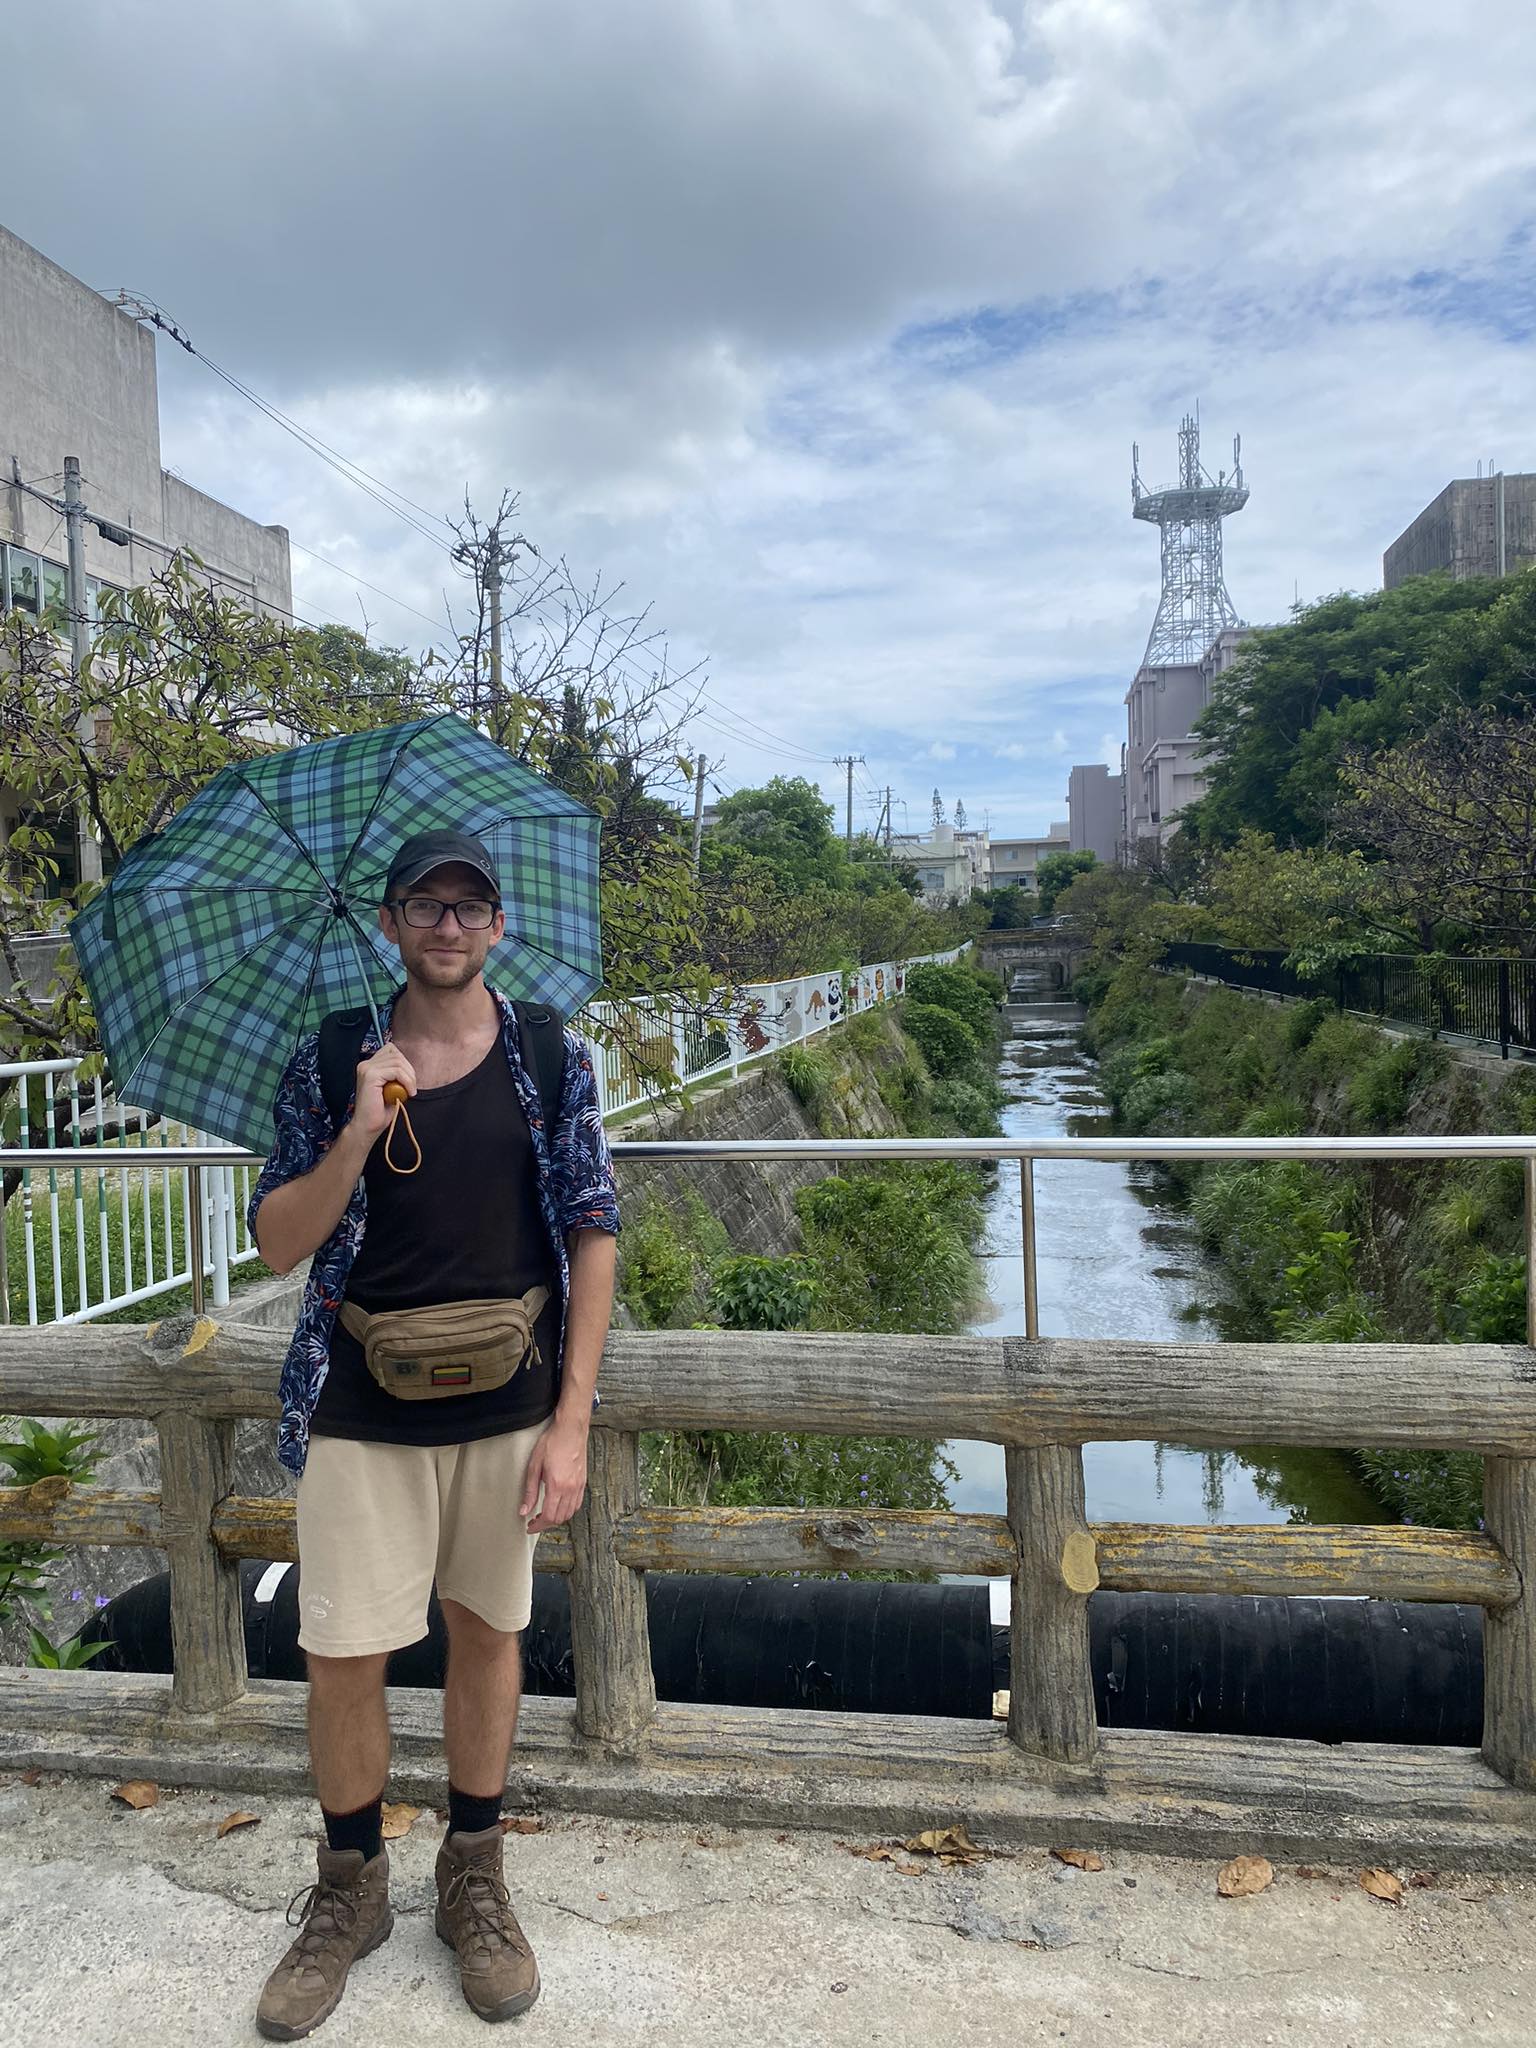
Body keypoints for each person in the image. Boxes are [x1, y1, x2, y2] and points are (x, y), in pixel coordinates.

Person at [246, 828, 620, 2039]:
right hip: (359, 1397)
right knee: (344, 1650)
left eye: (470, 907)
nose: (449, 926)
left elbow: (594, 1231)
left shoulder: (550, 1055)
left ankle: (475, 1871)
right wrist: (359, 1126)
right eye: (426, 905)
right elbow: (277, 1241)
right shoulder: (329, 1057)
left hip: (510, 1401)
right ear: (392, 922)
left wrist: (572, 1421)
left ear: (498, 926)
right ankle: (349, 1884)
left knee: (486, 1630)